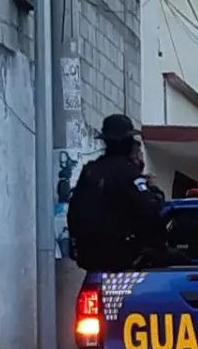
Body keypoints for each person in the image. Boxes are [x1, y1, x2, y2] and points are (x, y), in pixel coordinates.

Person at [66, 114, 169, 272]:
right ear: (126, 142)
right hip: (124, 257)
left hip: (90, 258)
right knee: (181, 260)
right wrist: (154, 191)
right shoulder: (127, 172)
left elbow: (74, 213)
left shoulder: (90, 171)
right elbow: (149, 210)